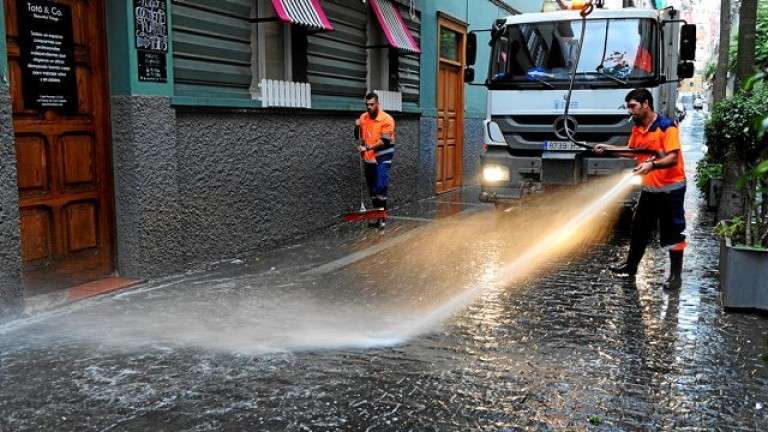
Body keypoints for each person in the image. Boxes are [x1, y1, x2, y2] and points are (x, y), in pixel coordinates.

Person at [595, 88, 687, 290]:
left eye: (633, 106)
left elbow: (672, 157)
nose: (630, 111)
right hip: (650, 189)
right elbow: (634, 151)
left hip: (671, 189)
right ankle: (631, 266)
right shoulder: (638, 127)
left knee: (672, 233)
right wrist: (608, 149)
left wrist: (651, 165)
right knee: (638, 230)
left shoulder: (667, 127)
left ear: (646, 104)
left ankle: (675, 276)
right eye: (628, 107)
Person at [356, 92, 395, 229]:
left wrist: (366, 147)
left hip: (383, 156)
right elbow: (360, 136)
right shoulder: (363, 118)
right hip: (368, 159)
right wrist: (356, 128)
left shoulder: (387, 119)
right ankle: (377, 218)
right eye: (367, 104)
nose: (369, 107)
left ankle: (382, 217)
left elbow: (384, 141)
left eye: (372, 104)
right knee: (372, 190)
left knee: (381, 186)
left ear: (378, 104)